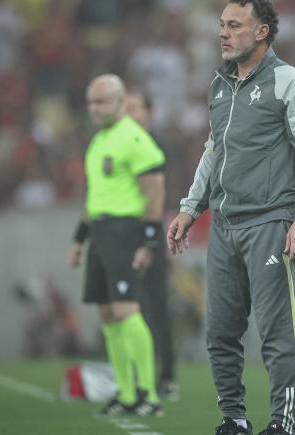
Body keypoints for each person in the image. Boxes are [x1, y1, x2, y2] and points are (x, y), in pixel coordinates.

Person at [166, 1, 295, 434]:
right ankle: (234, 420)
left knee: (277, 336)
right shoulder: (220, 86)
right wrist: (189, 207)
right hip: (223, 225)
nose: (223, 33)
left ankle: (283, 424)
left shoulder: (289, 82)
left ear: (261, 32)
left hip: (272, 223)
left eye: (234, 25)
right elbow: (214, 151)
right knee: (219, 333)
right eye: (222, 25)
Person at [66, 74, 165, 417]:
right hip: (101, 232)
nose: (95, 108)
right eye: (91, 102)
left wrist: (149, 240)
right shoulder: (97, 143)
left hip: (126, 230)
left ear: (121, 103)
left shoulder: (133, 138)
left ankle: (149, 394)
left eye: (102, 101)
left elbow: (154, 189)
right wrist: (79, 239)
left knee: (126, 309)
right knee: (107, 314)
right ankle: (124, 393)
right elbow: (94, 197)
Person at [123, 91, 179, 400]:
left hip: (150, 231)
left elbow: (158, 194)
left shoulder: (153, 145)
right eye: (125, 108)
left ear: (148, 112)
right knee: (128, 307)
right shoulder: (118, 142)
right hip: (123, 231)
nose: (128, 113)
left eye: (135, 108)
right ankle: (135, 375)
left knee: (157, 306)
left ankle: (167, 375)